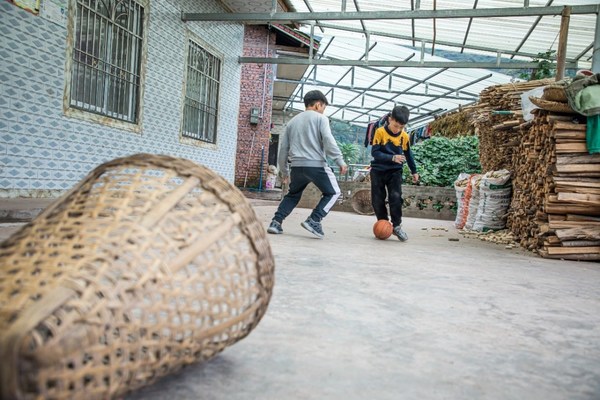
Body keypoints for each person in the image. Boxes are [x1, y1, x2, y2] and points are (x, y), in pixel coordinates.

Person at [267, 90, 348, 239]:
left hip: (297, 167)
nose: (323, 111)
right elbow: (328, 141)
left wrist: (285, 172)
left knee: (293, 195)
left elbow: (283, 149)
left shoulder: (292, 122)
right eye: (323, 107)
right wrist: (340, 160)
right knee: (334, 192)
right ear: (318, 105)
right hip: (316, 165)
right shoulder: (321, 119)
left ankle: (276, 222)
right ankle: (314, 219)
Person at [370, 105, 419, 241]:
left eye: (401, 127)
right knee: (377, 199)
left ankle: (397, 226)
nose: (397, 129)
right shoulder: (380, 132)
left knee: (396, 197)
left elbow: (408, 155)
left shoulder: (404, 136)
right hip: (378, 170)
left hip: (395, 171)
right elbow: (375, 153)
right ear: (390, 119)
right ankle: (383, 223)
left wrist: (414, 171)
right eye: (396, 126)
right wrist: (392, 157)